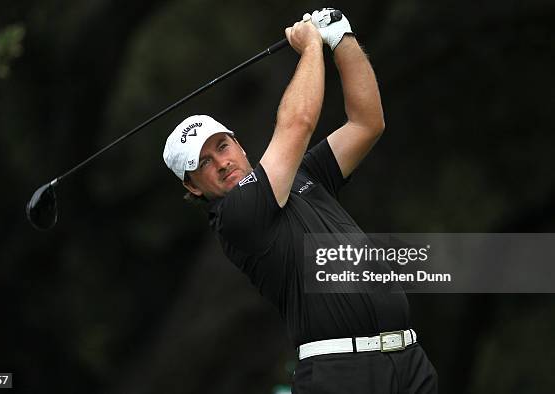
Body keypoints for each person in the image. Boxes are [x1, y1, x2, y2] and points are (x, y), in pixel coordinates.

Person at [163, 8, 438, 394]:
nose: (222, 163)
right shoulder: (236, 217)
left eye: (222, 146)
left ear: (238, 145)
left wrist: (341, 37)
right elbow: (298, 123)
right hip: (341, 374)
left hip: (408, 363)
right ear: (193, 188)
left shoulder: (303, 175)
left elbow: (366, 122)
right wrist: (311, 46)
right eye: (203, 163)